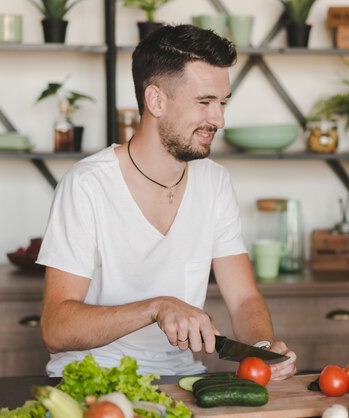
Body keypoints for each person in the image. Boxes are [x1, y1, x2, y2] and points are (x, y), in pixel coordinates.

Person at [37, 24, 297, 379]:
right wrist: (156, 307)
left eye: (222, 103)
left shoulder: (215, 182)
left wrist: (262, 349)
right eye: (204, 102)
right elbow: (56, 329)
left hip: (180, 379)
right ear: (155, 100)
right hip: (89, 377)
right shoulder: (86, 185)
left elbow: (243, 299)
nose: (218, 119)